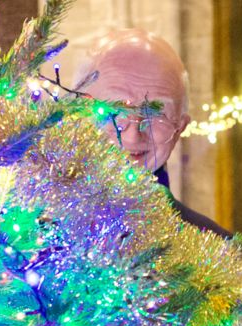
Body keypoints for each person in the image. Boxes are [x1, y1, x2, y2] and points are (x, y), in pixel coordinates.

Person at [75, 29, 230, 237]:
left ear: (180, 128)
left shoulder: (218, 250)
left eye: (156, 114)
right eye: (117, 110)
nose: (133, 136)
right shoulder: (25, 230)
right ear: (77, 113)